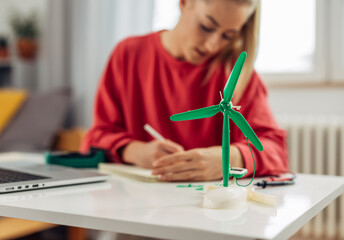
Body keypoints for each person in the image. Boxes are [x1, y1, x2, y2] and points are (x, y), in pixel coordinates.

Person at [81, 0, 288, 182]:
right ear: (184, 2)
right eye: (207, 27)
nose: (212, 45)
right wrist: (136, 151)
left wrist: (227, 159)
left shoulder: (238, 75)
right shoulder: (128, 55)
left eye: (227, 36)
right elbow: (96, 138)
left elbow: (275, 150)